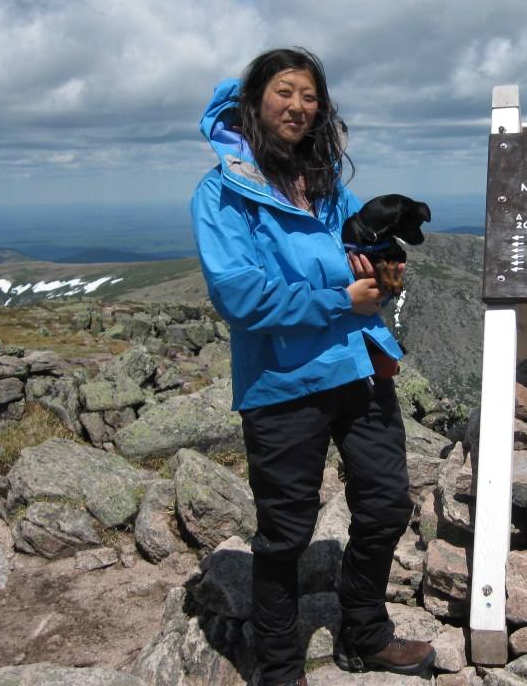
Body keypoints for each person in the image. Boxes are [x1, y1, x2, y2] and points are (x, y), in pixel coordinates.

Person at [190, 47, 435, 686]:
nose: (298, 106)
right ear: (253, 101)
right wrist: (338, 299)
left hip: (360, 364)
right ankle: (278, 670)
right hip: (284, 383)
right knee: (286, 534)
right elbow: (239, 296)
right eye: (285, 92)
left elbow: (352, 254)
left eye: (309, 96)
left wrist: (381, 268)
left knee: (384, 506)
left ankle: (365, 635)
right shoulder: (221, 194)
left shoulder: (324, 183)